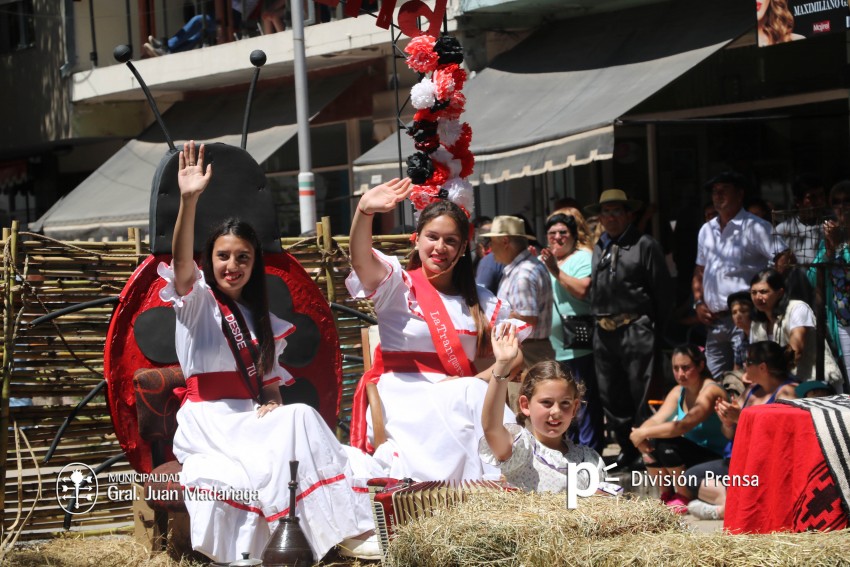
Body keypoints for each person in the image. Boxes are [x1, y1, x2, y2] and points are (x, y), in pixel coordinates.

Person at [160, 141, 380, 562]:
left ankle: (327, 530)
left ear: (254, 262)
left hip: (249, 418)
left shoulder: (261, 318)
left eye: (242, 257)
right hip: (210, 421)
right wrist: (189, 201)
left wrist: (273, 403)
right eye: (223, 256)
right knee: (302, 417)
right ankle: (342, 531)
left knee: (312, 430)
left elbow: (270, 386)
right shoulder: (197, 301)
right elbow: (181, 263)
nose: (232, 265)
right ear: (210, 258)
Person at [347, 179, 528, 481]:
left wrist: (477, 381)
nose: (439, 248)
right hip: (404, 399)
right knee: (472, 395)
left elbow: (516, 356)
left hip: (462, 397)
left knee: (472, 394)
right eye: (432, 237)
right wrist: (364, 212)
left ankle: (500, 488)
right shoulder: (397, 285)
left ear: (462, 249)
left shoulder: (481, 299)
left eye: (450, 241)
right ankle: (499, 481)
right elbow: (362, 261)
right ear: (416, 240)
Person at [586, 189, 674, 469]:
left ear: (628, 214)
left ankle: (646, 449)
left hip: (636, 327)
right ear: (599, 217)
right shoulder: (599, 245)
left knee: (642, 392)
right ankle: (626, 449)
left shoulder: (644, 244)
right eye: (605, 212)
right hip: (604, 331)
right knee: (611, 394)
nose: (610, 217)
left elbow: (663, 292)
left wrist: (657, 330)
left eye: (616, 211)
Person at [480, 326, 605, 493]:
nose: (556, 411)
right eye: (546, 402)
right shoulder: (521, 450)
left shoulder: (589, 460)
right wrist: (502, 366)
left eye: (565, 403)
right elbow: (491, 428)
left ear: (575, 407)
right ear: (525, 405)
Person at [685, 340, 797, 520]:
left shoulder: (788, 392)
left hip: (763, 466)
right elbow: (729, 434)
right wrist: (728, 422)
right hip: (736, 461)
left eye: (748, 362)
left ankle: (727, 508)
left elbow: (779, 436)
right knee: (690, 477)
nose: (744, 366)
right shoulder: (752, 390)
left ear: (762, 367)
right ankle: (730, 504)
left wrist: (741, 418)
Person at [693, 171, 788, 378]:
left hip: (746, 316)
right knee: (715, 382)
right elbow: (700, 271)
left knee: (748, 378)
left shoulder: (756, 226)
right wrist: (698, 303)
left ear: (739, 194)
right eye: (714, 192)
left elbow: (785, 257)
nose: (717, 196)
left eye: (723, 190)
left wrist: (767, 296)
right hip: (715, 321)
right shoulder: (706, 230)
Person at [628, 345, 727, 513]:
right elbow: (656, 419)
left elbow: (683, 426)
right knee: (653, 441)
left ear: (700, 366)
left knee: (666, 443)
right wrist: (641, 438)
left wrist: (641, 433)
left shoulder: (711, 390)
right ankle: (666, 494)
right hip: (693, 455)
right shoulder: (678, 391)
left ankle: (684, 495)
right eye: (676, 368)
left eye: (686, 368)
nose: (680, 373)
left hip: (717, 458)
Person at [538, 211, 604, 453]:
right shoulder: (542, 260)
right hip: (550, 347)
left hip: (578, 344)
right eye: (552, 233)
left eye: (563, 233)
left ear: (574, 237)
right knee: (560, 404)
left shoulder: (583, 258)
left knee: (583, 403)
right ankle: (569, 452)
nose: (557, 237)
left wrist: (556, 271)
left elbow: (584, 290)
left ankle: (592, 455)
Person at [482, 216, 555, 368]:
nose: (490, 248)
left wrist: (500, 315)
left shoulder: (523, 274)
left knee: (523, 392)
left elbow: (528, 320)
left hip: (528, 353)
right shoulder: (525, 268)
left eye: (492, 242)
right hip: (528, 350)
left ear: (505, 242)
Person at [749, 268, 843, 386]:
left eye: (763, 292)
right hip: (779, 385)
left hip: (816, 382)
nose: (757, 297)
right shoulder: (756, 322)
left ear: (780, 293)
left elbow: (795, 351)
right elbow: (754, 358)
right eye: (753, 292)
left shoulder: (797, 308)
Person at [809, 180, 850, 380]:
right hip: (843, 321)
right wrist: (830, 250)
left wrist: (840, 246)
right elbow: (812, 276)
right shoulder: (831, 234)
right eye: (836, 202)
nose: (841, 207)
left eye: (847, 201)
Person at [775, 174, 826, 266]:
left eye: (821, 196)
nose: (819, 202)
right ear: (797, 201)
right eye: (812, 198)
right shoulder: (783, 230)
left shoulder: (832, 226)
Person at [144, 14, 217, 56]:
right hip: (213, 23)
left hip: (219, 19)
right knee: (196, 37)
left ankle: (166, 47)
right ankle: (167, 51)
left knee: (197, 20)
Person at [728, 291, 754, 371]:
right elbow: (737, 368)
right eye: (734, 312)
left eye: (743, 311)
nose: (738, 316)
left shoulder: (763, 334)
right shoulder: (738, 341)